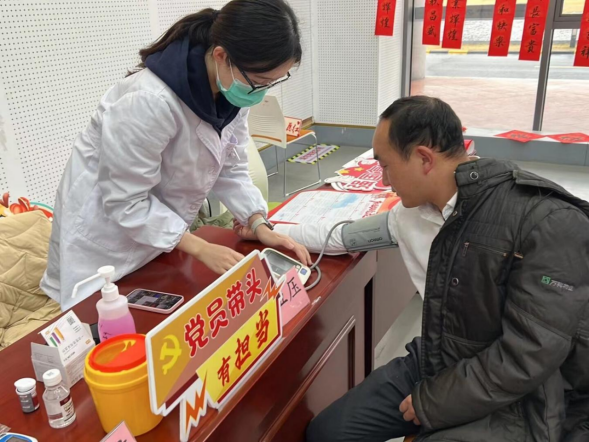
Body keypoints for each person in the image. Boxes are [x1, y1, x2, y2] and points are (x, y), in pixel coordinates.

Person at [242, 96, 589, 441]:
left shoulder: (547, 222)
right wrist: (265, 230)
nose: (383, 180)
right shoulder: (411, 214)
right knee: (327, 433)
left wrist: (434, 402)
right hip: (440, 356)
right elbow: (341, 236)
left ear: (423, 158)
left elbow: (529, 355)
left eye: (386, 166)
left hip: (525, 396)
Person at [41, 0, 311, 311]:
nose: (261, 92)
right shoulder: (149, 100)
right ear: (221, 56)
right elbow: (126, 201)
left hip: (159, 236)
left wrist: (258, 221)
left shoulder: (232, 93)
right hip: (105, 241)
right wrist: (200, 247)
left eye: (271, 83)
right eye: (259, 82)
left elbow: (230, 169)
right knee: (106, 312)